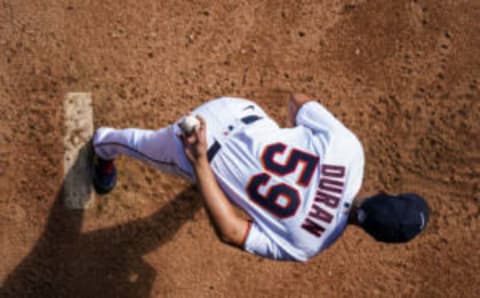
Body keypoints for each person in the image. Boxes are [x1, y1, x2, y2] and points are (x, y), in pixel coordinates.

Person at [92, 94, 429, 262]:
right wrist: (200, 162)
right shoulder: (308, 244)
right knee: (134, 144)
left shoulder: (351, 151)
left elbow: (298, 101)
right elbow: (231, 231)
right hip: (198, 147)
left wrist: (279, 143)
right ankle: (101, 149)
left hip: (236, 108)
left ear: (385, 192)